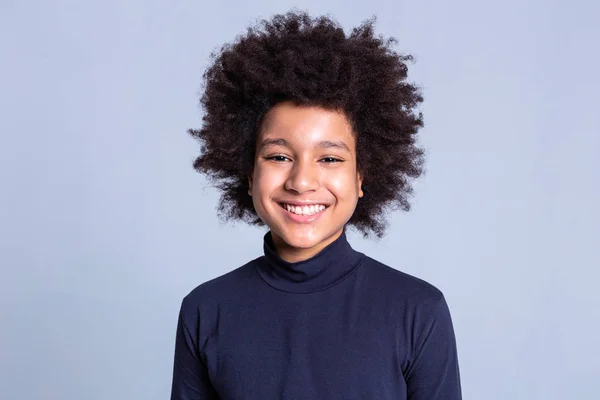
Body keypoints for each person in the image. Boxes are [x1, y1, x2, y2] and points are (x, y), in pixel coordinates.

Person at [170, 10, 462, 400]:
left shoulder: (417, 311)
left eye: (329, 158)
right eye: (278, 157)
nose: (302, 182)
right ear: (247, 172)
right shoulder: (206, 310)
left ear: (361, 178)